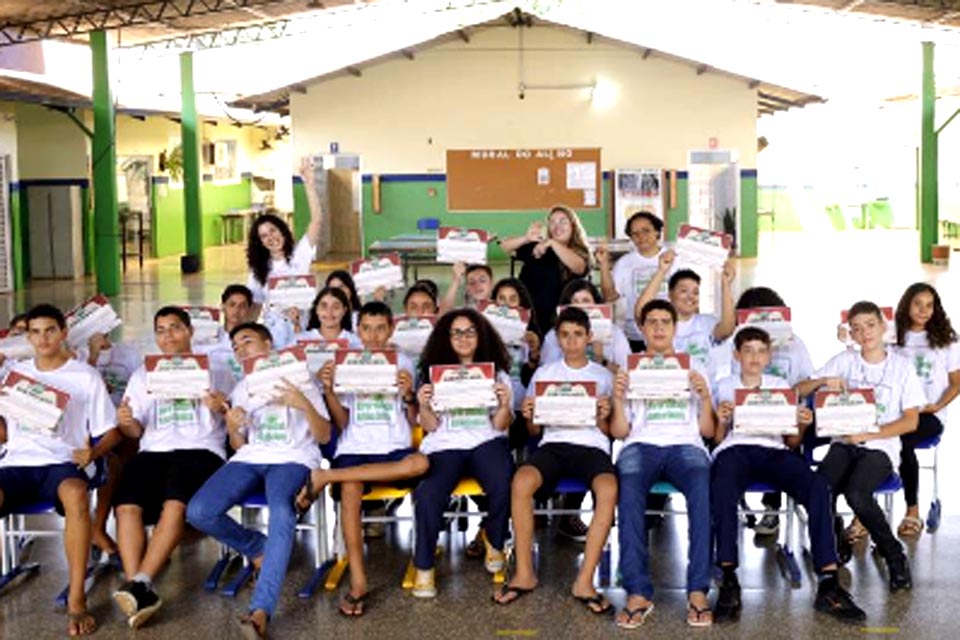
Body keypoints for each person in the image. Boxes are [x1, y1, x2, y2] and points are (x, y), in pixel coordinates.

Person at [187, 322, 332, 638]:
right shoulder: (243, 387)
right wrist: (233, 426)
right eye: (236, 346)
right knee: (198, 511)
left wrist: (302, 403)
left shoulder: (300, 378)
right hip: (251, 458)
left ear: (269, 343)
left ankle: (260, 609)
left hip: (293, 458)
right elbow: (239, 445)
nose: (241, 349)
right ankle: (258, 547)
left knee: (282, 511)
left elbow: (324, 435)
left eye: (247, 341)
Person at [711, 327, 865, 624]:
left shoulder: (781, 386)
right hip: (736, 449)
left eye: (760, 350)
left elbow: (792, 442)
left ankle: (829, 580)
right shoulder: (725, 385)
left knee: (818, 487)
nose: (754, 357)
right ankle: (728, 577)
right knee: (722, 489)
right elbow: (718, 440)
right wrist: (721, 419)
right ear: (736, 355)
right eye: (748, 350)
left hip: (775, 449)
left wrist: (803, 425)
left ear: (769, 356)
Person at [296, 301, 427, 616]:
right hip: (355, 447)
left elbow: (414, 418)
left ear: (391, 329)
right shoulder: (345, 364)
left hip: (394, 445)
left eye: (380, 327)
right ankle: (358, 580)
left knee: (421, 463)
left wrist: (409, 394)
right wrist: (328, 390)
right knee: (352, 489)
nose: (373, 335)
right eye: (366, 328)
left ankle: (325, 477)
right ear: (358, 330)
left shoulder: (403, 362)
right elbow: (342, 422)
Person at [0, 304, 120, 636]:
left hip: (62, 462)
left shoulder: (84, 375)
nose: (43, 338)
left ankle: (77, 598)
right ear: (26, 337)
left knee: (76, 494)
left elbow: (111, 431)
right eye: (35, 332)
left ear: (64, 332)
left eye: (50, 330)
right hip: (16, 463)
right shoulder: (13, 372)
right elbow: (4, 432)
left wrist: (92, 452)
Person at [111, 306, 230, 629]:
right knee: (125, 506)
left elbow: (236, 421)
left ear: (190, 331)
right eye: (161, 330)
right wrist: (127, 423)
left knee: (175, 502)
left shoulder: (216, 370)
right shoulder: (143, 374)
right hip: (154, 450)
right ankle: (140, 588)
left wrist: (221, 407)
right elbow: (135, 432)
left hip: (200, 449)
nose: (168, 336)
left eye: (175, 328)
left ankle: (141, 583)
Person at [493, 307, 617, 615]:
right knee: (521, 482)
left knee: (608, 488)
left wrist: (603, 416)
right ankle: (524, 573)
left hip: (591, 446)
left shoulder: (603, 377)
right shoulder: (546, 373)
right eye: (565, 335)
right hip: (554, 445)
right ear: (557, 338)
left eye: (578, 334)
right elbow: (535, 430)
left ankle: (585, 581)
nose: (572, 341)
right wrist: (531, 415)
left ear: (589, 336)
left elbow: (610, 432)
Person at [796, 301, 925, 592]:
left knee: (857, 493)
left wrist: (871, 433)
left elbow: (911, 422)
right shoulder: (845, 360)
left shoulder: (902, 368)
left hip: (880, 447)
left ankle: (894, 555)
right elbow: (799, 388)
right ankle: (835, 538)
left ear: (882, 326)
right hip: (843, 443)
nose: (864, 332)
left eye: (869, 325)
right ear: (850, 334)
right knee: (820, 488)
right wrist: (821, 382)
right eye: (856, 328)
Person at [611, 299, 714, 629]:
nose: (658, 327)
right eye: (651, 322)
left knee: (702, 493)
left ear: (675, 327)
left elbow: (708, 431)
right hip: (640, 445)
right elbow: (620, 431)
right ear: (641, 329)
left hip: (686, 445)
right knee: (627, 494)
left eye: (664, 322)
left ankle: (697, 590)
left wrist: (707, 398)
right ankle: (638, 592)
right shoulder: (631, 368)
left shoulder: (694, 366)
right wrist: (616, 398)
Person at [412, 309, 515, 598]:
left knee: (504, 480)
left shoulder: (497, 373)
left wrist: (505, 404)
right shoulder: (432, 374)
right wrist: (423, 406)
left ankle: (494, 539)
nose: (463, 338)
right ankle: (424, 565)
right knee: (430, 492)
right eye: (456, 332)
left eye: (470, 331)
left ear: (480, 336)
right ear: (446, 338)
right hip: (445, 445)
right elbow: (430, 427)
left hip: (486, 440)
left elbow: (499, 424)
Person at [538, 278, 629, 542]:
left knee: (600, 436)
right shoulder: (553, 338)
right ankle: (557, 506)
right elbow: (550, 375)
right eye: (575, 302)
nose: (582, 307)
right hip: (558, 419)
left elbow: (627, 375)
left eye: (587, 302)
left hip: (596, 422)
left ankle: (581, 510)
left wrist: (599, 358)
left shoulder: (615, 334)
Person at [730, 286, 816, 537]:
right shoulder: (734, 346)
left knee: (785, 447)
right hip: (741, 421)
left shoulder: (794, 344)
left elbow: (806, 381)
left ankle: (772, 508)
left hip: (783, 421)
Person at [890, 283, 959, 537]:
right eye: (918, 304)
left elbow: (956, 383)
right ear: (907, 304)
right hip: (894, 411)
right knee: (870, 441)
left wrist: (937, 406)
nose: (923, 310)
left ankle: (912, 510)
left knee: (902, 438)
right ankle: (864, 513)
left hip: (929, 414)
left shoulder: (946, 339)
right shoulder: (893, 335)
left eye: (929, 305)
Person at [634, 254, 736, 377]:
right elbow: (641, 311)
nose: (690, 297)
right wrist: (662, 271)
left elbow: (728, 328)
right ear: (670, 294)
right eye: (683, 291)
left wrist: (726, 284)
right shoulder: (659, 323)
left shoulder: (707, 322)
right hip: (668, 389)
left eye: (695, 292)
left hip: (704, 392)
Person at [245, 161, 323, 318]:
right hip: (274, 330)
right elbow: (256, 307)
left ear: (282, 230)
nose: (271, 238)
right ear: (260, 242)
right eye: (264, 236)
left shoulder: (299, 254)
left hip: (301, 325)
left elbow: (317, 220)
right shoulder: (258, 271)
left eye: (273, 230)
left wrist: (309, 185)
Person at [500, 206, 592, 330]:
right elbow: (505, 246)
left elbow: (579, 267)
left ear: (573, 226)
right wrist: (526, 238)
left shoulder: (578, 252)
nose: (557, 226)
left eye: (563, 221)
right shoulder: (539, 246)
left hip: (556, 320)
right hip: (526, 315)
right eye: (552, 222)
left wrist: (553, 243)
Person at [597, 211, 671, 352]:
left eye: (646, 230)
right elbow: (610, 296)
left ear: (657, 232)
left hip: (670, 335)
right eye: (635, 233)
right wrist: (604, 266)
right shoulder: (625, 263)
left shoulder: (675, 259)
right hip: (636, 336)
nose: (641, 237)